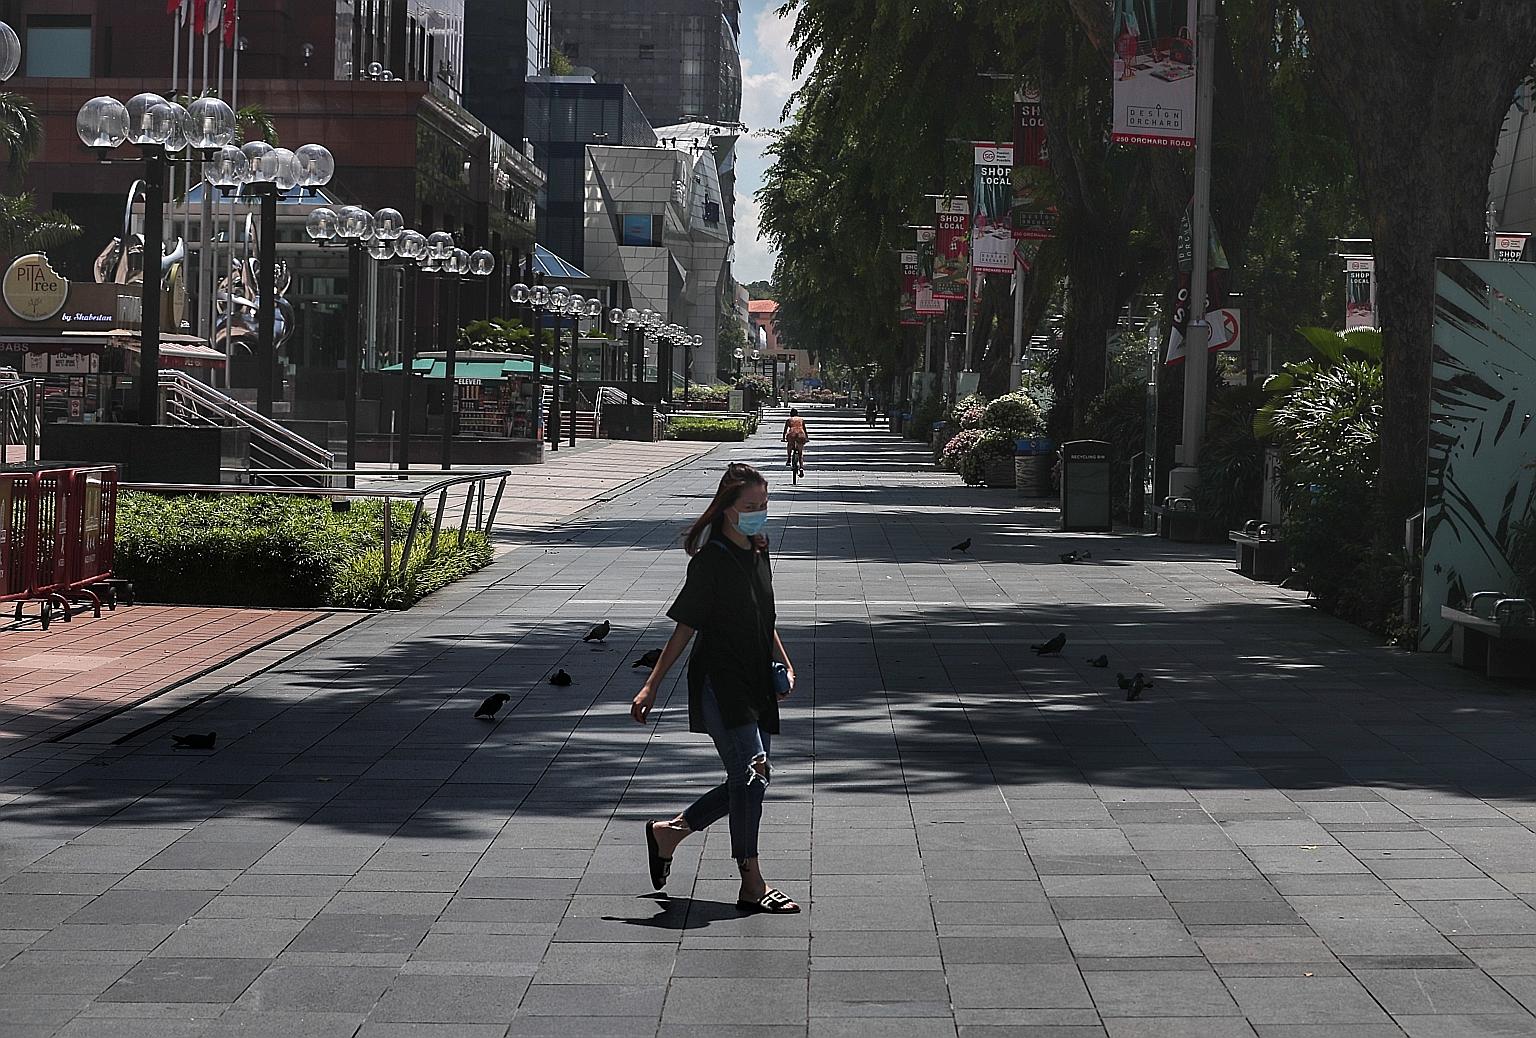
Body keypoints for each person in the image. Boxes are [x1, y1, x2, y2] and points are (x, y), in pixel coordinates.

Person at [632, 462, 800, 914]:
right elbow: (685, 628)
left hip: (754, 677)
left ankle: (669, 833)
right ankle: (752, 881)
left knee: (751, 779)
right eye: (750, 507)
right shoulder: (711, 560)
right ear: (727, 508)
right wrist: (650, 686)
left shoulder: (759, 549)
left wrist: (782, 660)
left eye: (764, 506)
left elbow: (764, 615)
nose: (759, 514)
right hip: (720, 681)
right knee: (752, 774)